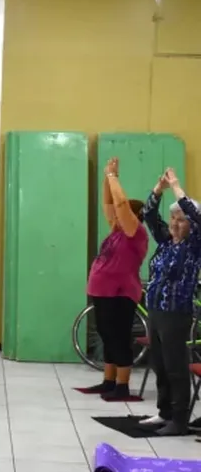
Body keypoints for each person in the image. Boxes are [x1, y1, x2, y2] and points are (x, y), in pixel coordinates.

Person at [139, 168, 201, 435]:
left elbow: (198, 218)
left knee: (176, 366)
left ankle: (179, 419)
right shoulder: (166, 242)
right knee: (159, 363)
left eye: (181, 220)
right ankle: (164, 412)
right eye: (173, 217)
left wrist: (176, 186)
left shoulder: (194, 245)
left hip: (176, 312)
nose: (175, 223)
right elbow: (148, 215)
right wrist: (158, 188)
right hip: (155, 309)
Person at [81, 157, 148, 401]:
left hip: (121, 293)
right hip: (103, 291)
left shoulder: (135, 233)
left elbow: (119, 204)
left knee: (119, 337)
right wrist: (106, 177)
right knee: (106, 334)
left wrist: (114, 178)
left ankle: (122, 386)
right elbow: (110, 203)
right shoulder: (117, 230)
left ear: (135, 216)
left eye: (125, 213)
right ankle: (108, 381)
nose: (117, 215)